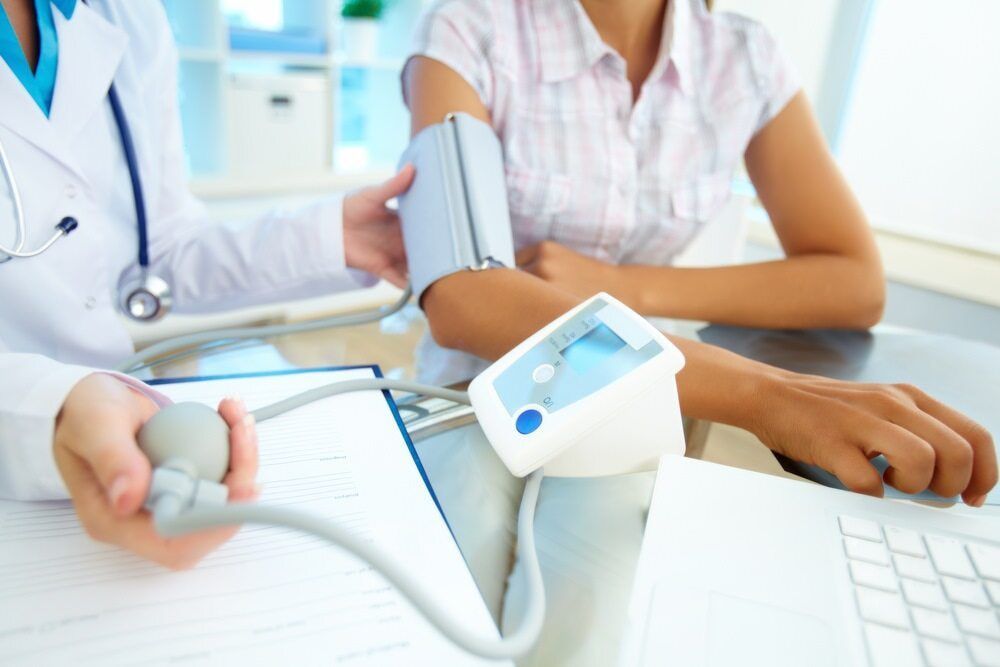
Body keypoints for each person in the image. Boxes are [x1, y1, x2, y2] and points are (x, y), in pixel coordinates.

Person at [401, 1, 996, 661]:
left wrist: (620, 286)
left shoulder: (743, 57)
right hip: (479, 381)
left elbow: (854, 280)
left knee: (598, 584)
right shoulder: (471, 27)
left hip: (644, 397)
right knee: (458, 548)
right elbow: (460, 293)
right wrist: (767, 395)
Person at [0, 0, 412, 568]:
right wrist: (50, 407)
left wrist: (337, 238)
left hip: (128, 444)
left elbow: (161, 249)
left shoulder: (128, 17)